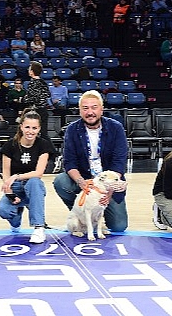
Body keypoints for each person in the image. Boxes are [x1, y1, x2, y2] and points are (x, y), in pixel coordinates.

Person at [53, 90, 129, 233]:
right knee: (61, 182)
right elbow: (69, 162)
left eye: (94, 107)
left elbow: (119, 162)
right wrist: (81, 182)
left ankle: (98, 215)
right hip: (86, 182)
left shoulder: (115, 128)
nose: (90, 112)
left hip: (107, 184)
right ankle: (80, 214)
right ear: (80, 111)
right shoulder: (72, 129)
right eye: (85, 108)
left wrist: (110, 191)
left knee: (119, 226)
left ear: (101, 109)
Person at [0, 109, 54, 243]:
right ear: (21, 127)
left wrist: (16, 176)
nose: (30, 131)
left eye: (34, 128)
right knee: (3, 211)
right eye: (27, 127)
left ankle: (39, 228)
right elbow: (6, 175)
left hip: (33, 189)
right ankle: (17, 213)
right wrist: (10, 194)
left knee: (34, 181)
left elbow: (38, 173)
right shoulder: (10, 145)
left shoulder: (43, 145)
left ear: (39, 129)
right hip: (15, 187)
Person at [23, 61, 51, 140]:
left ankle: (51, 151)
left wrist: (25, 99)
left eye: (29, 69)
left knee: (34, 133)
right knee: (43, 133)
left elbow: (33, 97)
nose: (28, 71)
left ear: (32, 72)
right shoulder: (43, 82)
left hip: (36, 111)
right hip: (44, 110)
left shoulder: (33, 83)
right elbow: (48, 94)